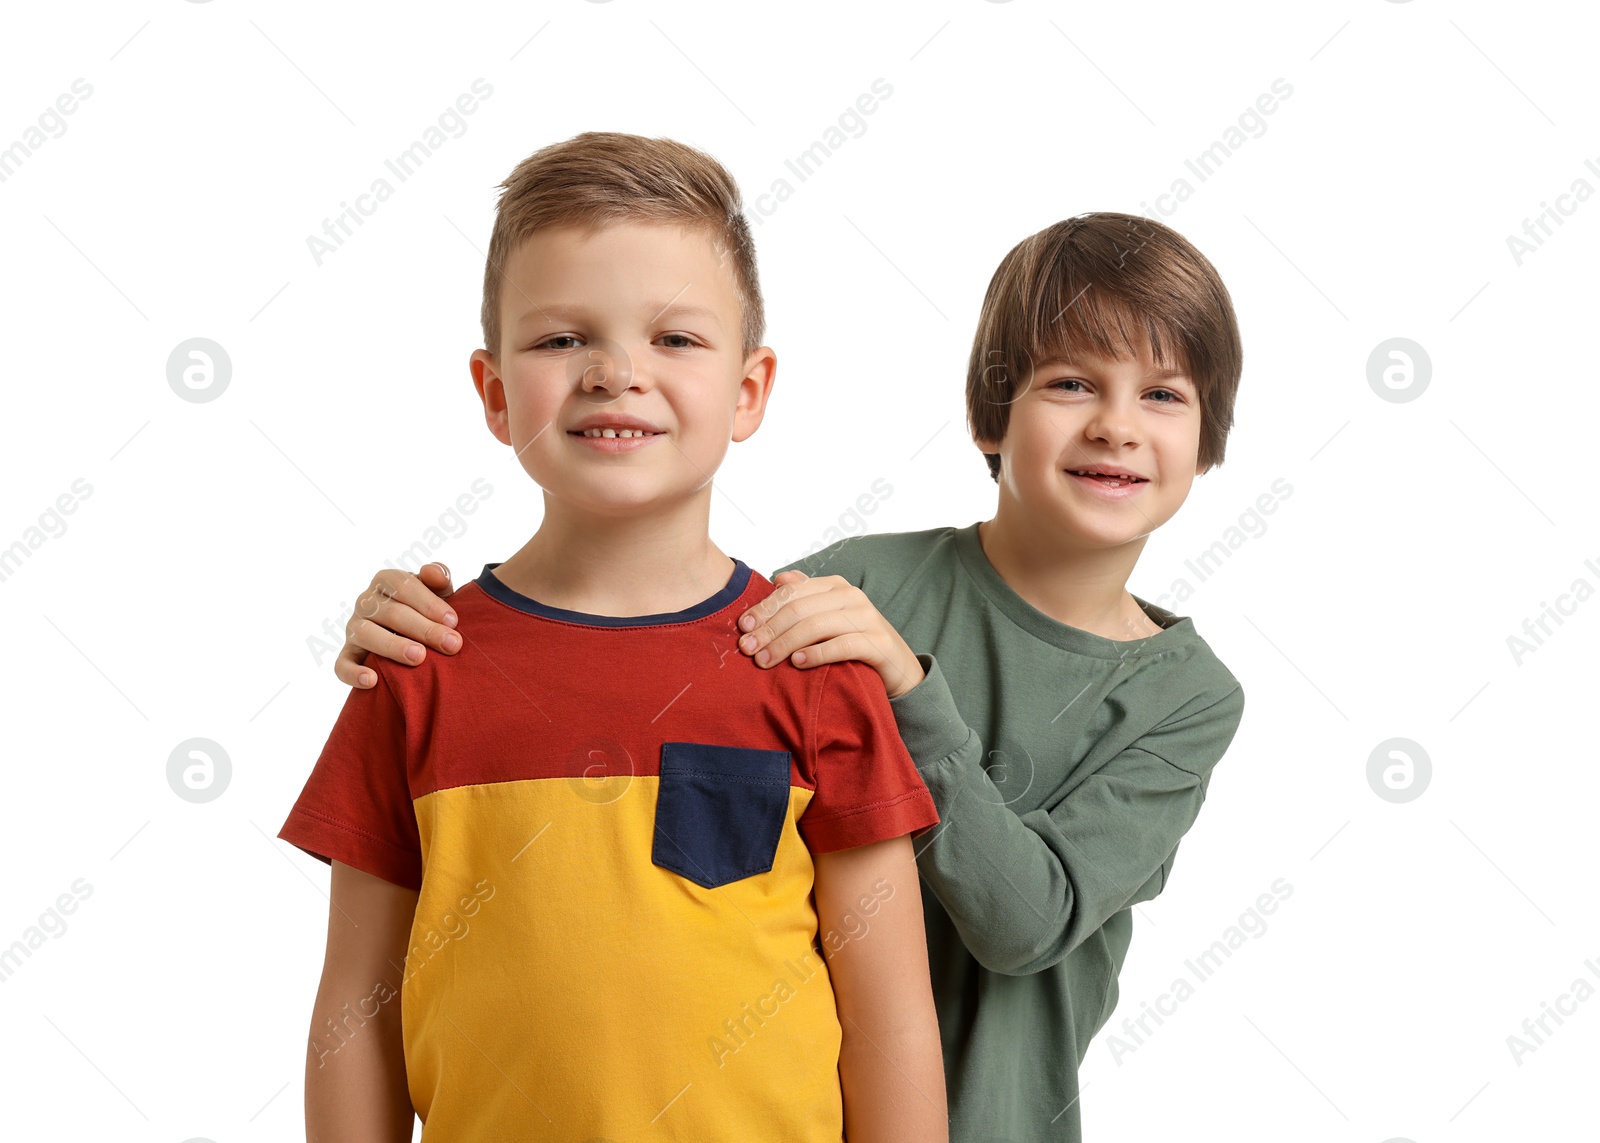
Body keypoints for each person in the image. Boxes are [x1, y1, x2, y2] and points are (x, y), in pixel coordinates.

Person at [324, 212, 1247, 1142]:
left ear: (1210, 436)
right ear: (989, 414)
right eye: (1071, 382)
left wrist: (911, 694)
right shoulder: (847, 589)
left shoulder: (1186, 697)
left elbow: (1026, 922)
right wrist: (436, 637)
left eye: (1164, 395)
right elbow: (661, 642)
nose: (1117, 426)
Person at [277, 131, 949, 1142]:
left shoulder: (808, 665)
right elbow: (352, 1010)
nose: (615, 372)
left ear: (749, 390)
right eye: (561, 340)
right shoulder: (419, 669)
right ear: (497, 394)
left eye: (675, 339)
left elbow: (891, 1019)